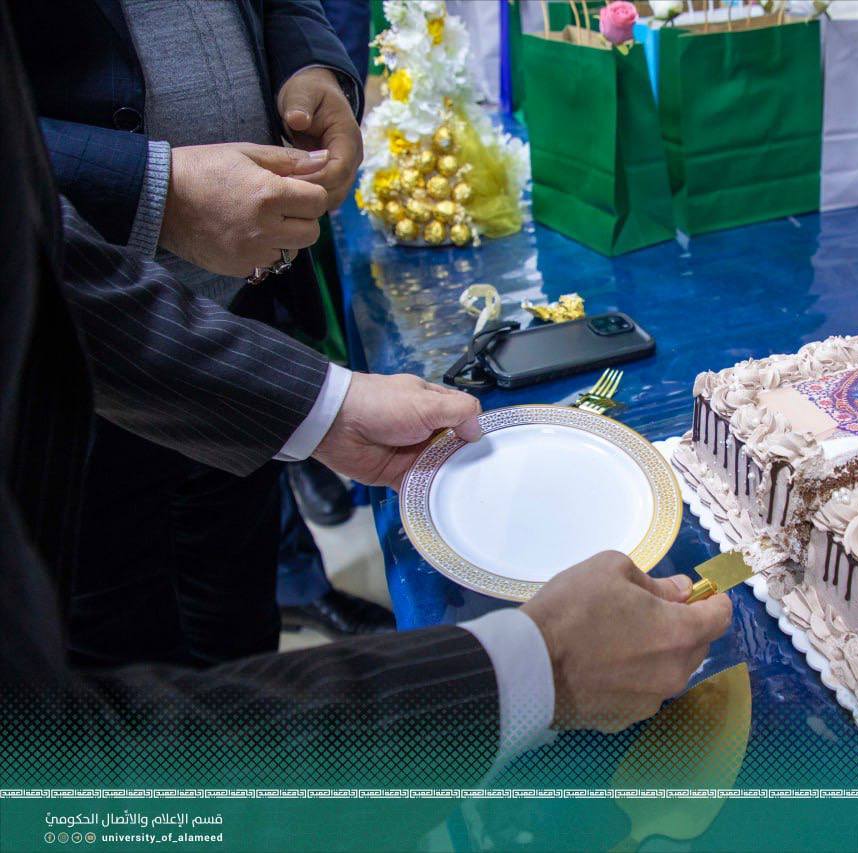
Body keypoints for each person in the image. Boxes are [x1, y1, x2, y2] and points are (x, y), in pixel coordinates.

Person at [0, 5, 733, 790]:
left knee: (234, 613)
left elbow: (53, 261)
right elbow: (86, 780)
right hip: (71, 447)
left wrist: (324, 406)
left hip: (225, 352)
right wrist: (530, 672)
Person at [10, 0, 392, 663]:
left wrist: (310, 64)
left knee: (242, 628)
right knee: (122, 666)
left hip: (244, 322)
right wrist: (153, 193)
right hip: (71, 378)